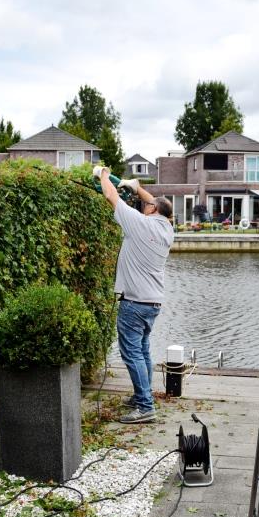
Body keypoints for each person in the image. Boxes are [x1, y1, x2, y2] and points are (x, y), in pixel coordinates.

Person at [95, 166, 174, 423]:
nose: (143, 205)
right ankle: (143, 395)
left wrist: (103, 174)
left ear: (152, 210)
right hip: (153, 303)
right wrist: (135, 185)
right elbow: (159, 204)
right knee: (142, 350)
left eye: (146, 204)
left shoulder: (140, 223)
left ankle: (144, 405)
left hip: (134, 303)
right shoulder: (167, 229)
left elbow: (110, 197)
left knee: (132, 353)